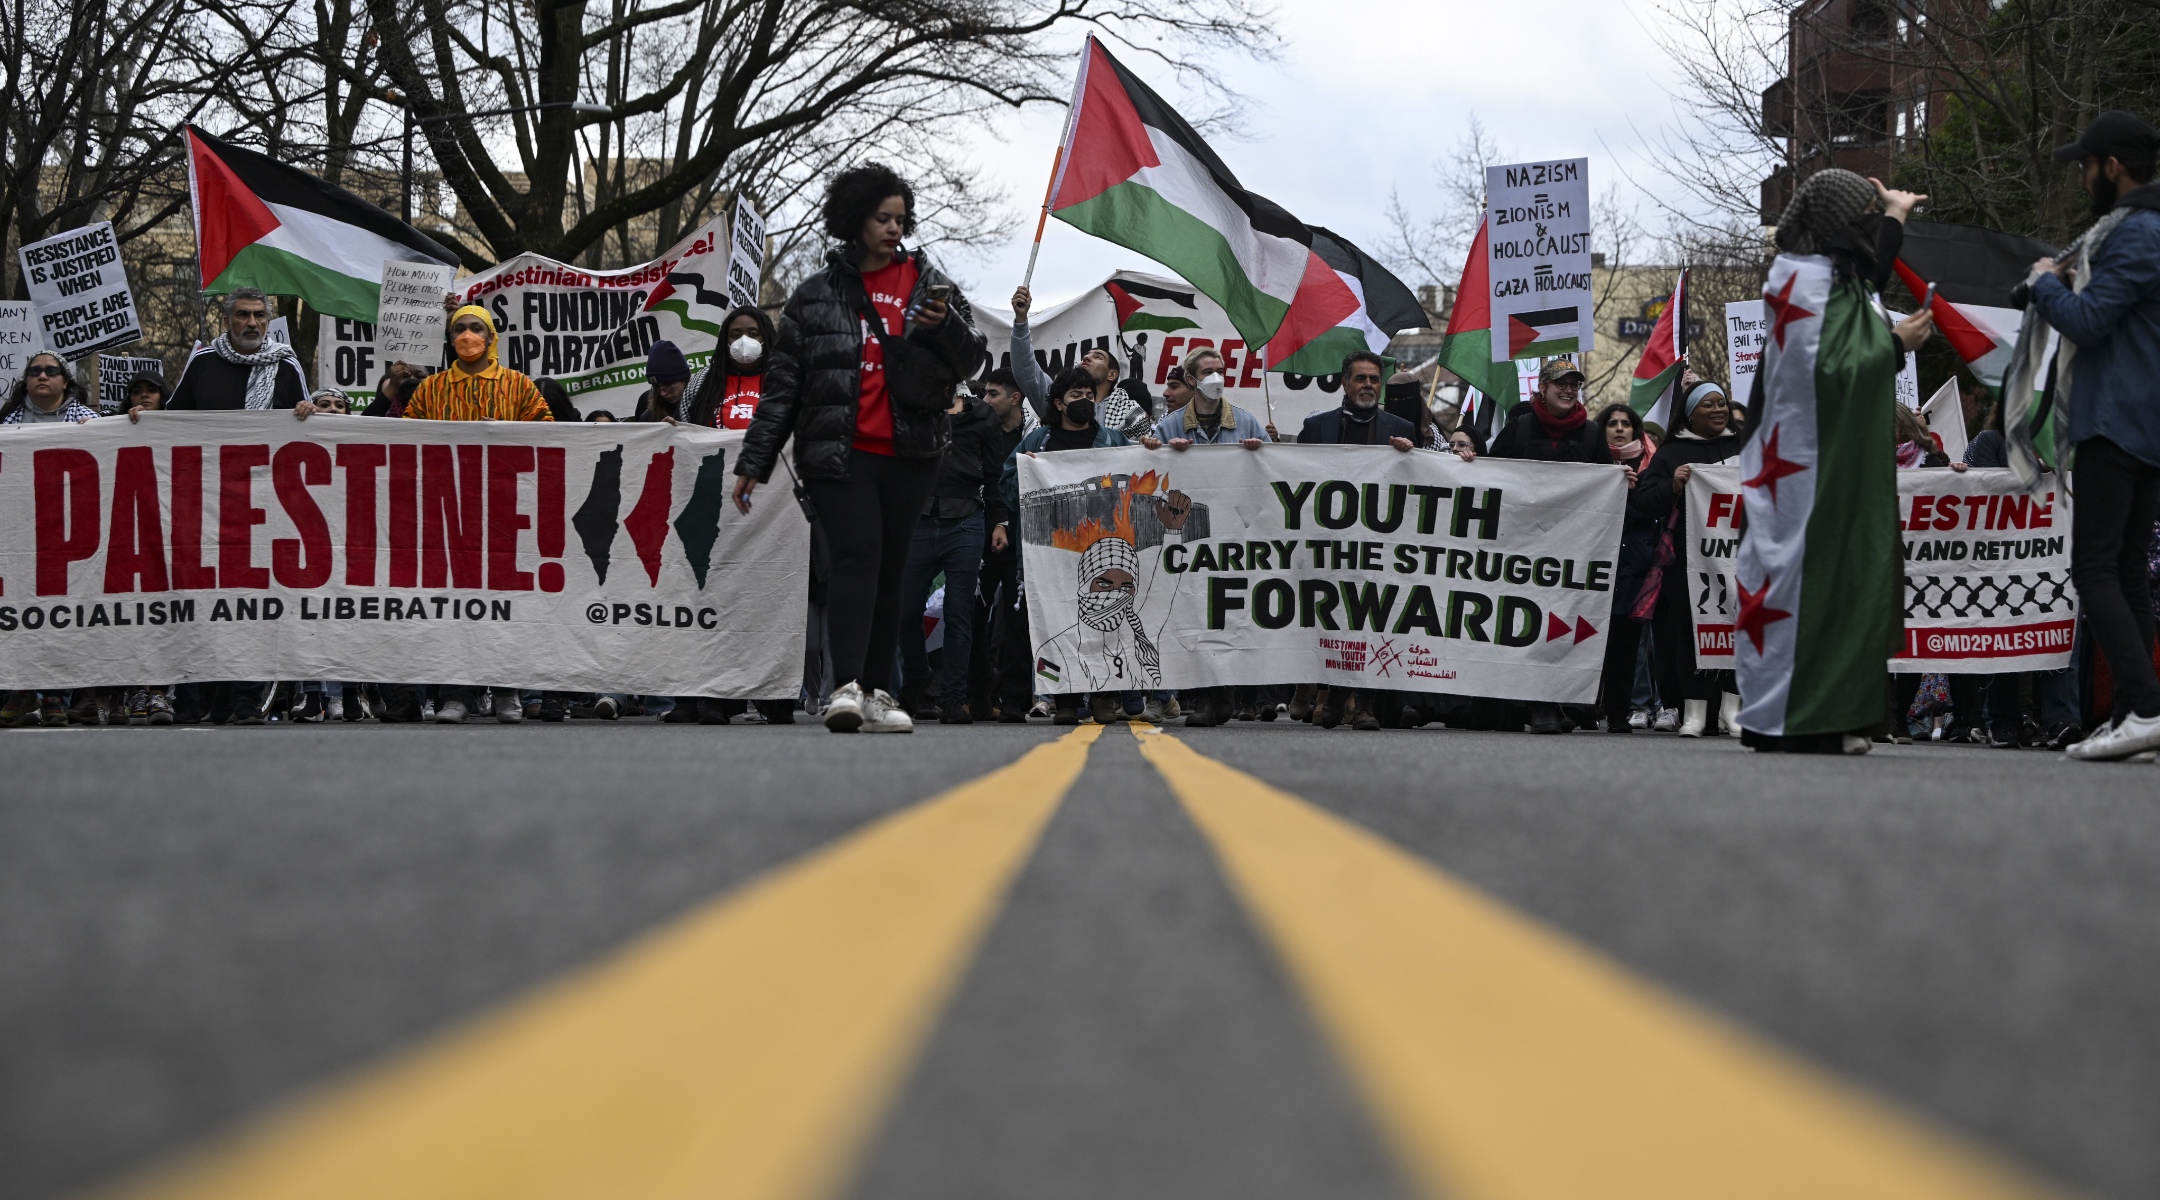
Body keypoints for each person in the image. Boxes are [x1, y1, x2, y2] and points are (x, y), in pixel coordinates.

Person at [733, 163, 987, 735]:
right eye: (882, 218)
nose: (894, 228)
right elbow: (783, 387)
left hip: (912, 452)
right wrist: (755, 459)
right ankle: (845, 687)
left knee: (892, 570)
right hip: (837, 454)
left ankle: (878, 692)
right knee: (856, 557)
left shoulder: (930, 283)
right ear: (855, 219)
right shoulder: (813, 296)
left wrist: (944, 325)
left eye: (901, 218)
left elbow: (973, 359)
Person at [1734, 169, 1935, 754]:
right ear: (1843, 227)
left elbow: (1868, 279)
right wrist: (1898, 345)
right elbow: (1830, 369)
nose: (1875, 229)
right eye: (1868, 218)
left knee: (1849, 580)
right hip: (1804, 476)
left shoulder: (1834, 278)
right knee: (1812, 582)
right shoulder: (1804, 285)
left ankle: (1833, 714)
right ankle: (1801, 719)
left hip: (1829, 468)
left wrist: (1896, 213)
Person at [2026, 111, 2160, 762]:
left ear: (2113, 168)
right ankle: (2134, 715)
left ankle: (2146, 706)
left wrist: (2045, 287)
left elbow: (2089, 320)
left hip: (2117, 418)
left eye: (2086, 165)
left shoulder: (2136, 233)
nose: (2081, 178)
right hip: (2143, 420)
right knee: (2127, 574)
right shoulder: (2140, 229)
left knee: (2095, 568)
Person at [393, 302, 554, 724]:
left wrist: (505, 434)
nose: (467, 336)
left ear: (491, 337)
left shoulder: (518, 386)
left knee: (505, 604)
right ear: (449, 340)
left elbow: (551, 431)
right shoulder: (430, 389)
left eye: (475, 328)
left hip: (506, 513)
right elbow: (402, 439)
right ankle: (456, 694)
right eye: (459, 329)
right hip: (448, 515)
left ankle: (507, 692)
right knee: (455, 605)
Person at [999, 366, 1136, 724]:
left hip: (1100, 549)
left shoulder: (1113, 439)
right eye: (1077, 396)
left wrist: (1152, 449)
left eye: (1090, 396)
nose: (1085, 401)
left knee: (1103, 621)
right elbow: (1006, 488)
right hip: (1049, 553)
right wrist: (1025, 472)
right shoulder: (1038, 442)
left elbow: (1138, 479)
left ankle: (1104, 696)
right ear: (1059, 403)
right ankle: (1064, 700)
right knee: (1055, 625)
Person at [1293, 351, 1414, 730]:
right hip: (1329, 542)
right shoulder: (1316, 428)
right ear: (1344, 383)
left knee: (1372, 618)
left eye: (1374, 380)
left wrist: (1413, 457)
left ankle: (1364, 705)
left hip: (1380, 546)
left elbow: (1427, 479)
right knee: (1332, 615)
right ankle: (1330, 693)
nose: (1368, 386)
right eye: (1360, 379)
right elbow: (1293, 477)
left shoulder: (1402, 427)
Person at [1632, 380, 1746, 738]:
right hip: (1689, 562)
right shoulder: (1670, 453)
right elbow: (1643, 500)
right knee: (1690, 633)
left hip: (1742, 558)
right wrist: (1673, 487)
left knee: (1740, 632)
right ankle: (1694, 713)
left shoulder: (1747, 445)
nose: (1718, 410)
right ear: (1690, 413)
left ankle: (1733, 711)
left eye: (1722, 404)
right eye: (1708, 405)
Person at [898, 381, 1010, 722]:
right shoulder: (912, 408)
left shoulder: (983, 417)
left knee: (959, 612)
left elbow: (994, 476)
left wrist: (1000, 522)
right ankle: (917, 685)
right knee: (905, 612)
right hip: (918, 519)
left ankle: (951, 699)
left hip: (965, 520)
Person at [1588, 403, 1659, 733]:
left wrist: (1628, 493)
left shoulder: (1651, 465)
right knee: (1587, 642)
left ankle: (1619, 712)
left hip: (1634, 567)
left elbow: (1652, 510)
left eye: (1626, 424)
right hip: (1595, 564)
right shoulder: (1591, 464)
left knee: (1625, 645)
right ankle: (1584, 709)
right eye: (1612, 423)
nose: (1619, 429)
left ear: (1635, 430)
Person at [1008, 285, 1156, 439]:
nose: (1086, 358)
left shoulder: (1129, 412)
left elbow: (1141, 456)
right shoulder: (1057, 398)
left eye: (1098, 356)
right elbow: (1025, 369)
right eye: (1085, 355)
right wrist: (1021, 321)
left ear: (1112, 374)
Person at [971, 369, 1034, 722]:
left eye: (993, 394)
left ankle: (1013, 699)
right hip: (978, 538)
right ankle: (977, 696)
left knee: (1017, 622)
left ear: (1015, 398)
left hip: (1021, 545)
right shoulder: (978, 431)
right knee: (972, 618)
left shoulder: (1034, 437)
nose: (985, 400)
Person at [165, 288, 309, 412]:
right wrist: (145, 417)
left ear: (268, 323)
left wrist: (309, 410)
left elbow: (307, 426)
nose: (252, 323)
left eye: (259, 315)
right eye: (243, 315)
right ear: (227, 322)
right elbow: (171, 419)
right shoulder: (202, 362)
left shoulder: (287, 366)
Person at [1142, 346, 1269, 449]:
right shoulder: (1170, 425)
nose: (1216, 378)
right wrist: (1154, 446)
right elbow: (1154, 466)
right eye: (1208, 372)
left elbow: (1273, 461)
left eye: (1219, 372)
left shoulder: (1246, 422)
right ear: (1191, 380)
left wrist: (1259, 450)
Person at [676, 306, 776, 431]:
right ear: (725, 341)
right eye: (735, 335)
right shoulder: (703, 381)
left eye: (753, 334)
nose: (744, 341)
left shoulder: (785, 379)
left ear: (766, 337)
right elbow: (684, 429)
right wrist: (672, 431)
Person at [1490, 358, 1597, 461]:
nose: (1569, 390)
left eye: (1574, 384)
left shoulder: (1592, 433)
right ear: (1542, 388)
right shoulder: (1517, 429)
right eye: (1561, 383)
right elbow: (1492, 471)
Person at [0, 353, 97, 424]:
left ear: (65, 382)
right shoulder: (6, 420)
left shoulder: (89, 419)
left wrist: (95, 430)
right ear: (26, 382)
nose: (42, 376)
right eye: (35, 371)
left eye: (51, 371)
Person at [630, 340, 693, 423]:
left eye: (668, 384)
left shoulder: (708, 408)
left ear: (684, 379)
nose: (663, 394)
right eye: (656, 386)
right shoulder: (648, 418)